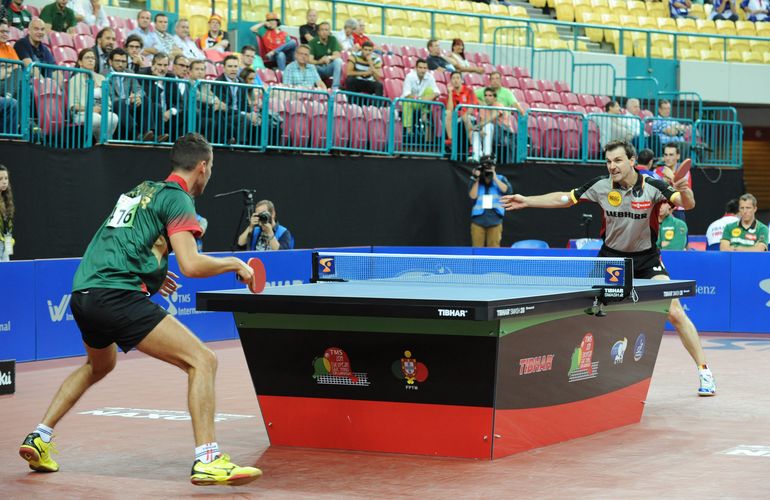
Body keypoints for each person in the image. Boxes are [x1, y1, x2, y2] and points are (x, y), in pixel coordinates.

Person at [17, 134, 263, 485]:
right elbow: (191, 265)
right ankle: (208, 458)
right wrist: (234, 263)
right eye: (211, 169)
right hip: (116, 295)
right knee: (203, 360)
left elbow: (122, 239)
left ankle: (39, 437)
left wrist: (150, 274)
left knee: (99, 365)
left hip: (84, 291)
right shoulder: (179, 199)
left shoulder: (140, 190)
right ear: (203, 167)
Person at [500, 139, 716, 397]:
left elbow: (686, 202)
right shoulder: (601, 186)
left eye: (617, 160)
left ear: (632, 161)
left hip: (646, 260)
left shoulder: (653, 187)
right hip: (611, 261)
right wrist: (527, 200)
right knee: (584, 311)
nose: (612, 166)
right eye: (608, 161)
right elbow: (564, 199)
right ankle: (567, 368)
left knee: (675, 312)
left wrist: (684, 189)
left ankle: (704, 371)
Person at [68, 48, 118, 142]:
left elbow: (108, 101)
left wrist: (103, 108)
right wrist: (90, 109)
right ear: (80, 62)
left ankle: (102, 142)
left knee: (113, 117)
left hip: (101, 111)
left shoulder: (101, 78)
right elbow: (73, 106)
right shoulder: (74, 80)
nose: (91, 60)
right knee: (96, 119)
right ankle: (91, 143)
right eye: (87, 57)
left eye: (93, 58)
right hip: (82, 113)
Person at [214, 54, 260, 144]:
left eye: (235, 66)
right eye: (230, 66)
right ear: (224, 68)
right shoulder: (219, 82)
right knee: (244, 119)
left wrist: (252, 113)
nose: (233, 69)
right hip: (226, 115)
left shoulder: (241, 82)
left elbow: (245, 103)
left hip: (239, 113)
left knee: (262, 119)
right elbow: (224, 107)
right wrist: (245, 114)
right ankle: (241, 146)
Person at [106, 48, 148, 142]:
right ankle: (136, 134)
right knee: (119, 103)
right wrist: (128, 100)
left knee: (146, 100)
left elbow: (139, 89)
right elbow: (111, 97)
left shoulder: (130, 73)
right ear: (110, 61)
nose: (120, 64)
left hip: (128, 104)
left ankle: (149, 133)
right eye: (117, 61)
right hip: (114, 106)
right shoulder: (105, 74)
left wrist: (137, 96)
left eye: (123, 61)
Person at [469, 155, 511, 247]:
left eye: (490, 165)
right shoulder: (475, 179)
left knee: (494, 250)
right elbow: (472, 196)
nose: (488, 167)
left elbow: (508, 191)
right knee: (476, 249)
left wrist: (494, 177)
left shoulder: (501, 178)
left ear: (494, 166)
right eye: (486, 165)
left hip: (495, 220)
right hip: (478, 220)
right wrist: (477, 179)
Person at [400, 58, 440, 145]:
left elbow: (437, 92)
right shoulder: (410, 76)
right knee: (407, 101)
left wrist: (428, 97)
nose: (423, 70)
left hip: (422, 103)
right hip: (412, 102)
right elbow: (407, 94)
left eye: (425, 68)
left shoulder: (430, 77)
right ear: (416, 68)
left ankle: (424, 115)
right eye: (420, 68)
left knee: (430, 90)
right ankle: (409, 131)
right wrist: (420, 99)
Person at [656, 143, 690, 222]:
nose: (667, 158)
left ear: (678, 156)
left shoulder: (685, 172)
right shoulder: (657, 171)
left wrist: (671, 178)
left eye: (671, 155)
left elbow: (685, 194)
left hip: (678, 211)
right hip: (661, 211)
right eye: (666, 155)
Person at [445, 71, 477, 147]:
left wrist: (464, 115)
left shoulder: (469, 91)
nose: (456, 80)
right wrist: (449, 93)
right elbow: (450, 109)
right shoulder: (451, 93)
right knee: (447, 113)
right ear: (451, 81)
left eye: (458, 78)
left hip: (469, 117)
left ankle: (471, 145)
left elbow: (472, 107)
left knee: (465, 117)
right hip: (457, 117)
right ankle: (451, 140)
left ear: (461, 80)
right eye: (453, 78)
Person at [308, 22, 343, 90]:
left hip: (329, 67)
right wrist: (320, 61)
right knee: (311, 66)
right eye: (322, 30)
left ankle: (335, 88)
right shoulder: (313, 42)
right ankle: (316, 88)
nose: (324, 32)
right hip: (318, 68)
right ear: (318, 32)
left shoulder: (333, 39)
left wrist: (329, 57)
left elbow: (337, 55)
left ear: (329, 31)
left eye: (326, 30)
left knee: (338, 61)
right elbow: (310, 60)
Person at [0, 164, 14, 262]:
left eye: (6, 178)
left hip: (5, 244)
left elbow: (8, 224)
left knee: (6, 274)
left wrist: (9, 243)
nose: (4, 181)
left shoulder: (6, 199)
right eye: (0, 179)